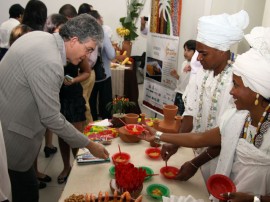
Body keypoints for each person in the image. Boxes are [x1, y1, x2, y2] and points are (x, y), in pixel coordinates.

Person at [141, 26, 270, 202]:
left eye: (236, 85)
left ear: (257, 91)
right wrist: (157, 135)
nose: (232, 91)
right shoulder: (238, 119)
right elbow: (200, 138)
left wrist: (254, 200)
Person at [0, 14, 109, 202]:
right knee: (24, 192)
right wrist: (90, 145)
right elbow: (51, 118)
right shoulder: (51, 62)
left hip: (7, 123)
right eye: (88, 49)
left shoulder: (38, 37)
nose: (88, 56)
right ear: (74, 40)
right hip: (13, 139)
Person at [161, 10, 249, 182]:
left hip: (221, 159)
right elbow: (190, 113)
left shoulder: (238, 82)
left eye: (203, 53)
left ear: (222, 51)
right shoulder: (202, 72)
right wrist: (175, 143)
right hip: (195, 151)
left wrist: (195, 163)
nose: (198, 58)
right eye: (197, 52)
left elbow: (227, 135)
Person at [89, 10, 116, 120]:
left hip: (89, 76)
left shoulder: (84, 33)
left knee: (91, 107)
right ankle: (107, 131)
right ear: (98, 19)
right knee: (106, 106)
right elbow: (111, 55)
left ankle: (92, 131)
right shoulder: (102, 33)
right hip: (104, 75)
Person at [170, 40, 196, 115]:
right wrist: (176, 76)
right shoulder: (184, 63)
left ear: (195, 52)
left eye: (188, 50)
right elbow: (183, 80)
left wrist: (193, 68)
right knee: (175, 117)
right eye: (185, 50)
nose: (185, 53)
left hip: (188, 96)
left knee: (182, 119)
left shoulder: (198, 66)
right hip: (179, 93)